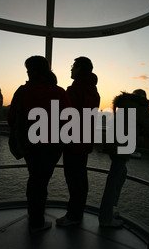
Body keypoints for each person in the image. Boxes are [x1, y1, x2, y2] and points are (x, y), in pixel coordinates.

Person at [8, 56, 70, 233]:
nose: (27, 72)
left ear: (35, 71)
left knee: (34, 179)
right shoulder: (59, 93)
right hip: (52, 146)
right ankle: (37, 219)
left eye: (29, 69)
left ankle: (34, 217)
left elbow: (11, 118)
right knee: (41, 181)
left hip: (30, 145)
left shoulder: (22, 91)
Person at [99, 89, 149, 227]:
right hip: (122, 146)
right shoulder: (140, 106)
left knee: (120, 175)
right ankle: (106, 218)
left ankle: (110, 210)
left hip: (113, 143)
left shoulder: (125, 103)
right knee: (113, 182)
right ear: (143, 98)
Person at [56, 57, 100, 227]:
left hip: (72, 142)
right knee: (81, 180)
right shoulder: (93, 91)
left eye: (73, 66)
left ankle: (72, 216)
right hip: (84, 142)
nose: (71, 70)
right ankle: (77, 214)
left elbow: (64, 115)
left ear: (80, 69)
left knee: (73, 180)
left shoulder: (75, 91)